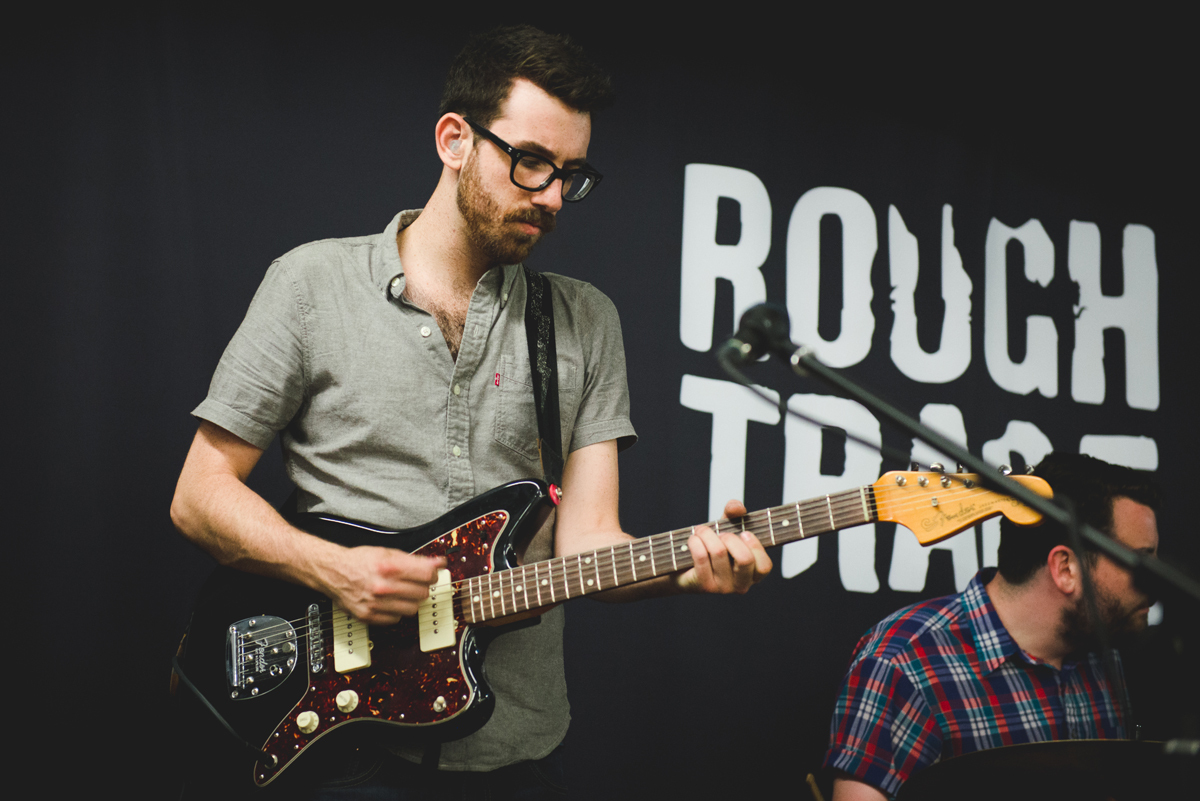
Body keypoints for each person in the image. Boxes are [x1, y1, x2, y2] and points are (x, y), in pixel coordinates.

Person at [169, 24, 772, 797]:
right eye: (531, 162)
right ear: (454, 139)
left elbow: (590, 544)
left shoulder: (585, 322)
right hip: (340, 748)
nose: (551, 196)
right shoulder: (311, 285)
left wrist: (688, 571)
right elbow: (199, 496)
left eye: (571, 175)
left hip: (512, 750)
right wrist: (335, 569)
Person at [823, 452, 1160, 800]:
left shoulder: (1104, 654)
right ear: (1066, 569)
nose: (1156, 585)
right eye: (1140, 563)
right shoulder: (902, 663)